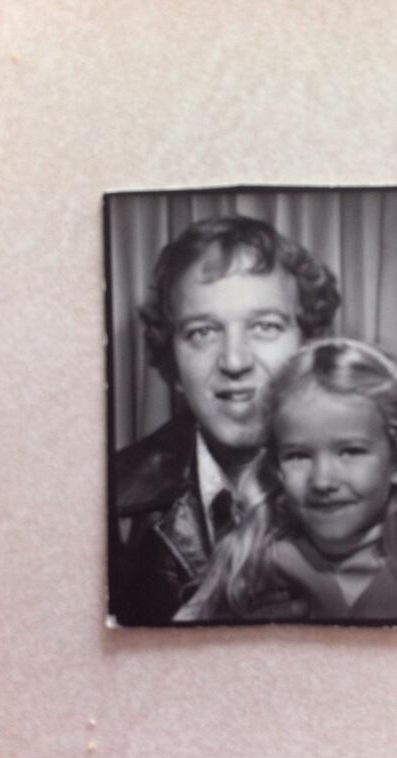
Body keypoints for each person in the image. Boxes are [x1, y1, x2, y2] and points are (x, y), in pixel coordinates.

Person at [109, 215, 341, 625]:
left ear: (310, 346)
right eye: (203, 332)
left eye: (265, 326)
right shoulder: (110, 501)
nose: (234, 361)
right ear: (172, 362)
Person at [175, 338, 397, 623]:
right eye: (298, 456)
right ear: (276, 467)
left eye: (350, 452)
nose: (322, 481)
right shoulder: (249, 565)